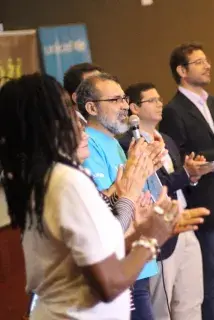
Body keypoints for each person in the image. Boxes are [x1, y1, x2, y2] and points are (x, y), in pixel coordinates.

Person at [0, 73, 189, 319]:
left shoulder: (45, 178)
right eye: (67, 110)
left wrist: (142, 232)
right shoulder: (65, 181)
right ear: (48, 123)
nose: (79, 122)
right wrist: (152, 238)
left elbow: (85, 260)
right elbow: (108, 284)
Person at [159, 42, 214, 320]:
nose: (208, 65)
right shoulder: (174, 110)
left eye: (206, 60)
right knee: (213, 279)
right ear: (181, 71)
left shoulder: (212, 101)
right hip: (201, 201)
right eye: (199, 62)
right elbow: (179, 156)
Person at [75, 73, 167, 320]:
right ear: (92, 107)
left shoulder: (114, 142)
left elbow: (134, 190)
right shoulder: (89, 144)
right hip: (118, 264)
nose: (125, 106)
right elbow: (108, 203)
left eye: (124, 99)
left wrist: (148, 165)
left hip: (136, 259)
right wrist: (135, 168)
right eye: (115, 100)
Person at [120, 82, 212, 320]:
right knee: (162, 304)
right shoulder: (128, 144)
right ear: (134, 108)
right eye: (152, 100)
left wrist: (191, 175)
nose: (160, 103)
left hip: (182, 223)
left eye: (160, 98)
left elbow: (174, 183)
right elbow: (155, 187)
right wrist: (186, 175)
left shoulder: (167, 140)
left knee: (191, 299)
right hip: (160, 230)